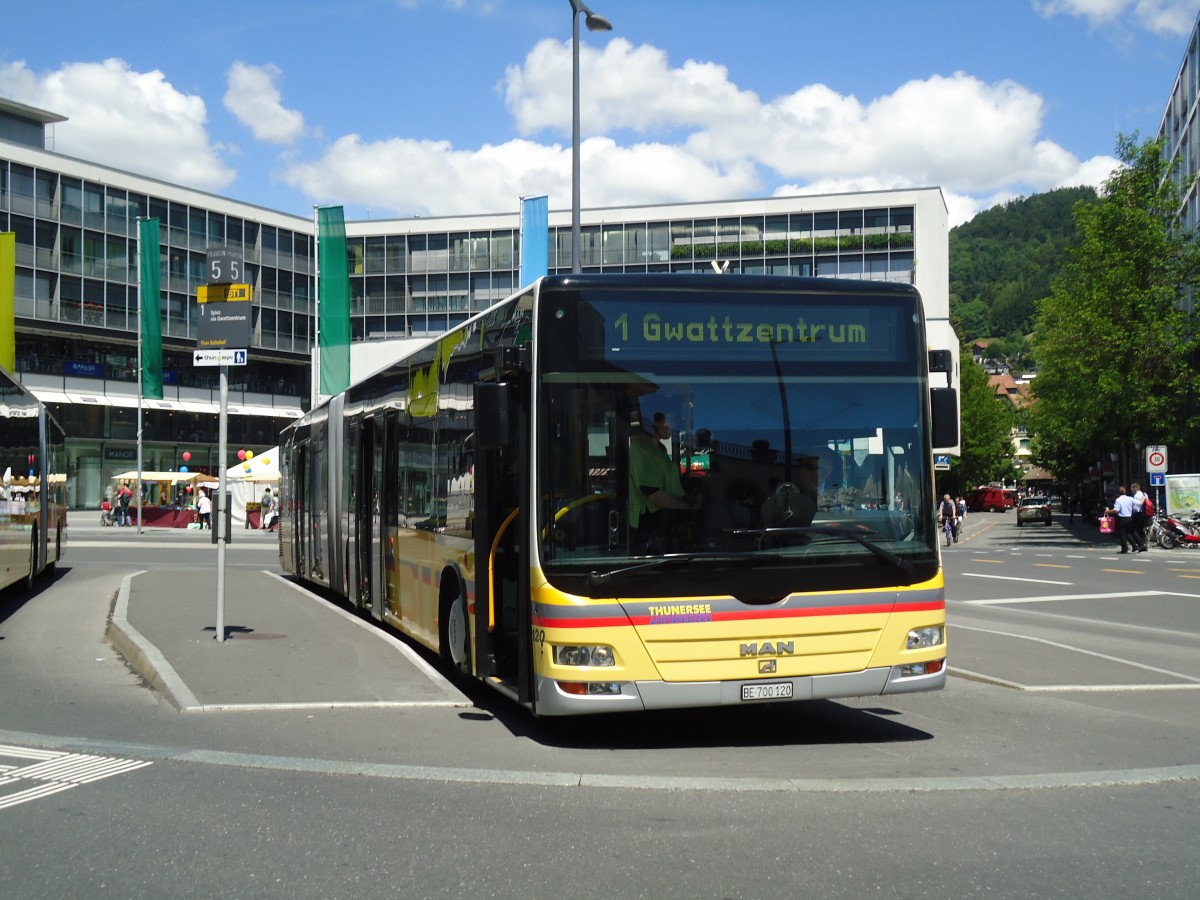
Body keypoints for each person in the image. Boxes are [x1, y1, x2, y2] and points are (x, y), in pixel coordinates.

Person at [628, 411, 697, 553]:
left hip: (664, 520)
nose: (674, 425)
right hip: (646, 526)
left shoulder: (661, 449)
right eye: (670, 420)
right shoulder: (639, 448)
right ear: (655, 423)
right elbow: (654, 494)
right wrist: (687, 507)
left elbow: (671, 484)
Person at [1106, 486, 1141, 553]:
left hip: (1121, 519)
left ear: (1118, 493)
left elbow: (1116, 510)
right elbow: (1139, 503)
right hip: (1129, 518)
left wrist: (1108, 511)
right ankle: (1134, 546)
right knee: (1128, 533)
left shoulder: (1118, 500)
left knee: (1122, 534)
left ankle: (1124, 549)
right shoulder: (1130, 498)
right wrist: (1144, 498)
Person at [1130, 482, 1149, 552]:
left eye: (1132, 489)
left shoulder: (1136, 496)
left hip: (1137, 514)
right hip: (1144, 513)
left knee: (1134, 530)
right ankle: (1144, 544)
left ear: (1134, 488)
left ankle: (1141, 544)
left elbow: (1136, 506)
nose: (1131, 490)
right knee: (1141, 530)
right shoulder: (1144, 494)